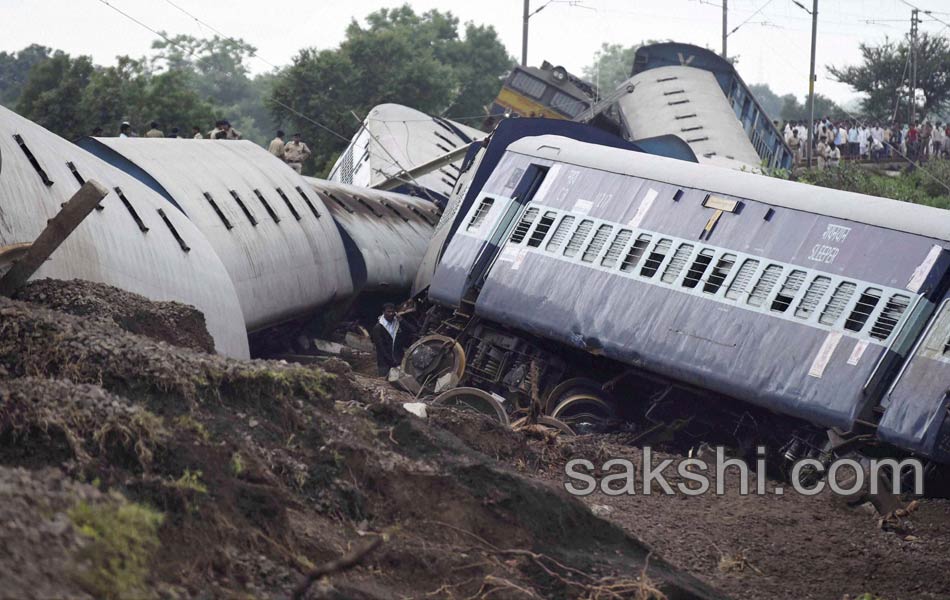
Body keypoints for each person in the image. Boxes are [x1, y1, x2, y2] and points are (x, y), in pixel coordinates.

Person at [370, 303, 415, 376]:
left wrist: (402, 321)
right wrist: (390, 360)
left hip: (399, 359)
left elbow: (413, 330)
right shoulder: (378, 327)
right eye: (388, 312)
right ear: (383, 312)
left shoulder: (398, 323)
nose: (390, 314)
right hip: (384, 363)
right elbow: (380, 347)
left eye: (392, 312)